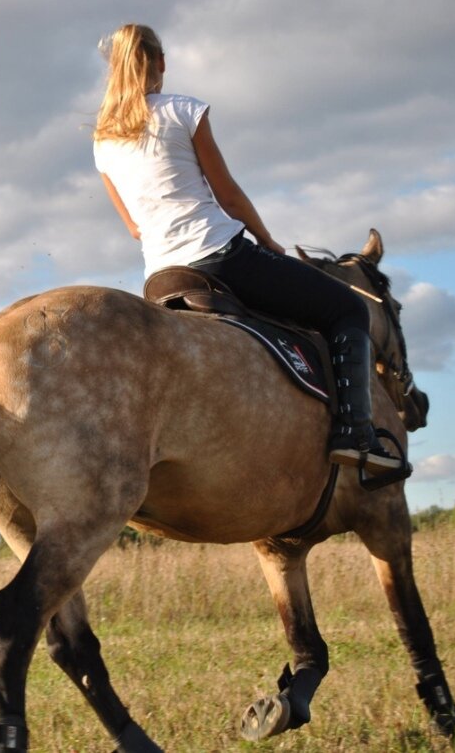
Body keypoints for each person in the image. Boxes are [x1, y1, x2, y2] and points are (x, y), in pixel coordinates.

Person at [92, 23, 400, 475]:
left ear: (114, 69)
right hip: (219, 256)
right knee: (347, 309)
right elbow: (228, 197)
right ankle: (356, 433)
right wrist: (269, 242)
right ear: (160, 63)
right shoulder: (183, 110)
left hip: (161, 274)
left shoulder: (103, 140)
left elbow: (136, 229)